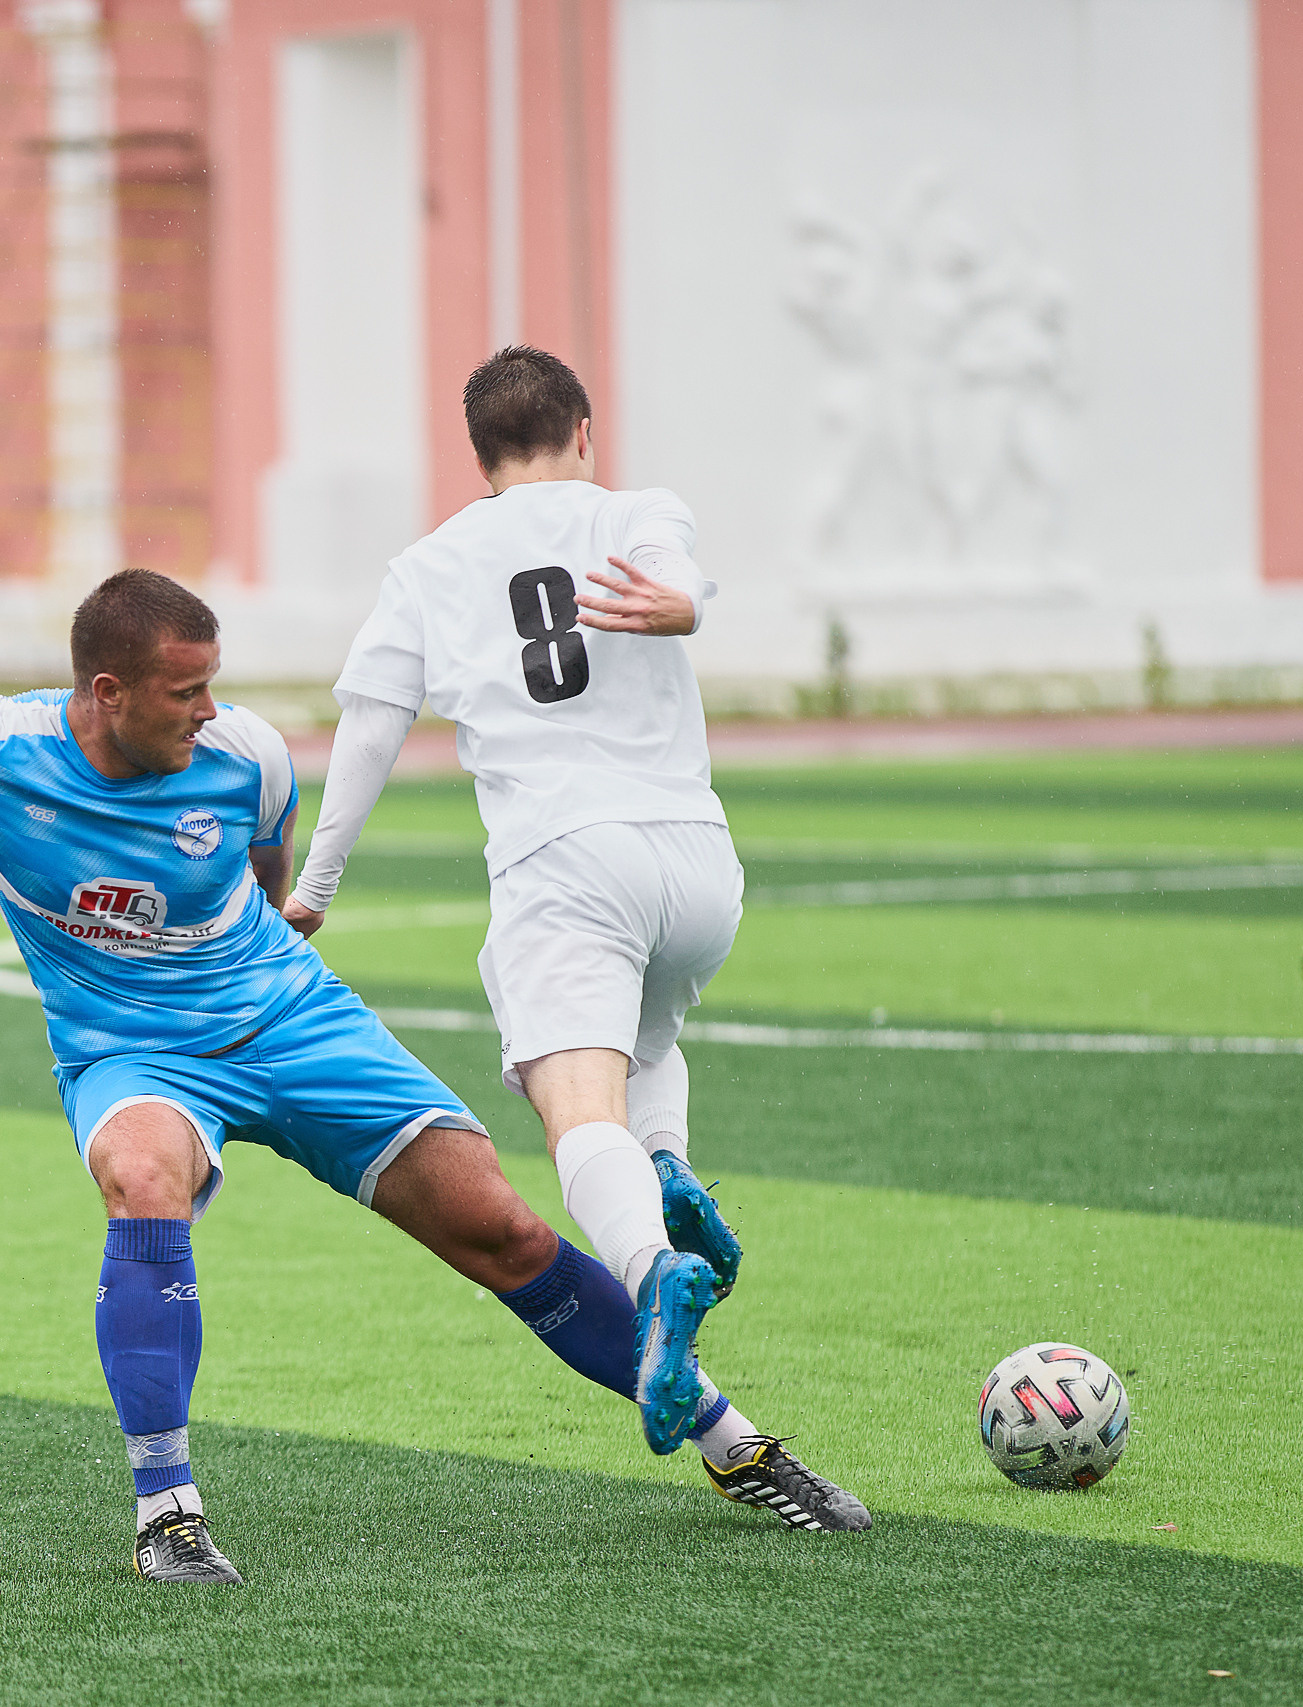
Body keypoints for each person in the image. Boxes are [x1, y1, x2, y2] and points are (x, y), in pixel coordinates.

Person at [0, 556, 786, 1584]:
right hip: (132, 1050)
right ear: (106, 692)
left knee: (498, 1224)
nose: (209, 711)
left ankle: (733, 1442)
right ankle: (166, 1509)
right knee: (141, 1176)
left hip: (286, 1015)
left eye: (214, 687)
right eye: (184, 692)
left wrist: (270, 943)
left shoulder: (248, 755)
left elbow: (267, 872)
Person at [284, 345, 870, 1532]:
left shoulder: (430, 565)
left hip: (565, 860)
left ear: (479, 458)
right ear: (584, 432)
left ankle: (652, 1275)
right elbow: (676, 577)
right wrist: (682, 607)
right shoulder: (635, 510)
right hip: (697, 864)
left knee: (572, 1105)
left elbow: (370, 727)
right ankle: (667, 1167)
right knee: (643, 1039)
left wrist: (317, 884)